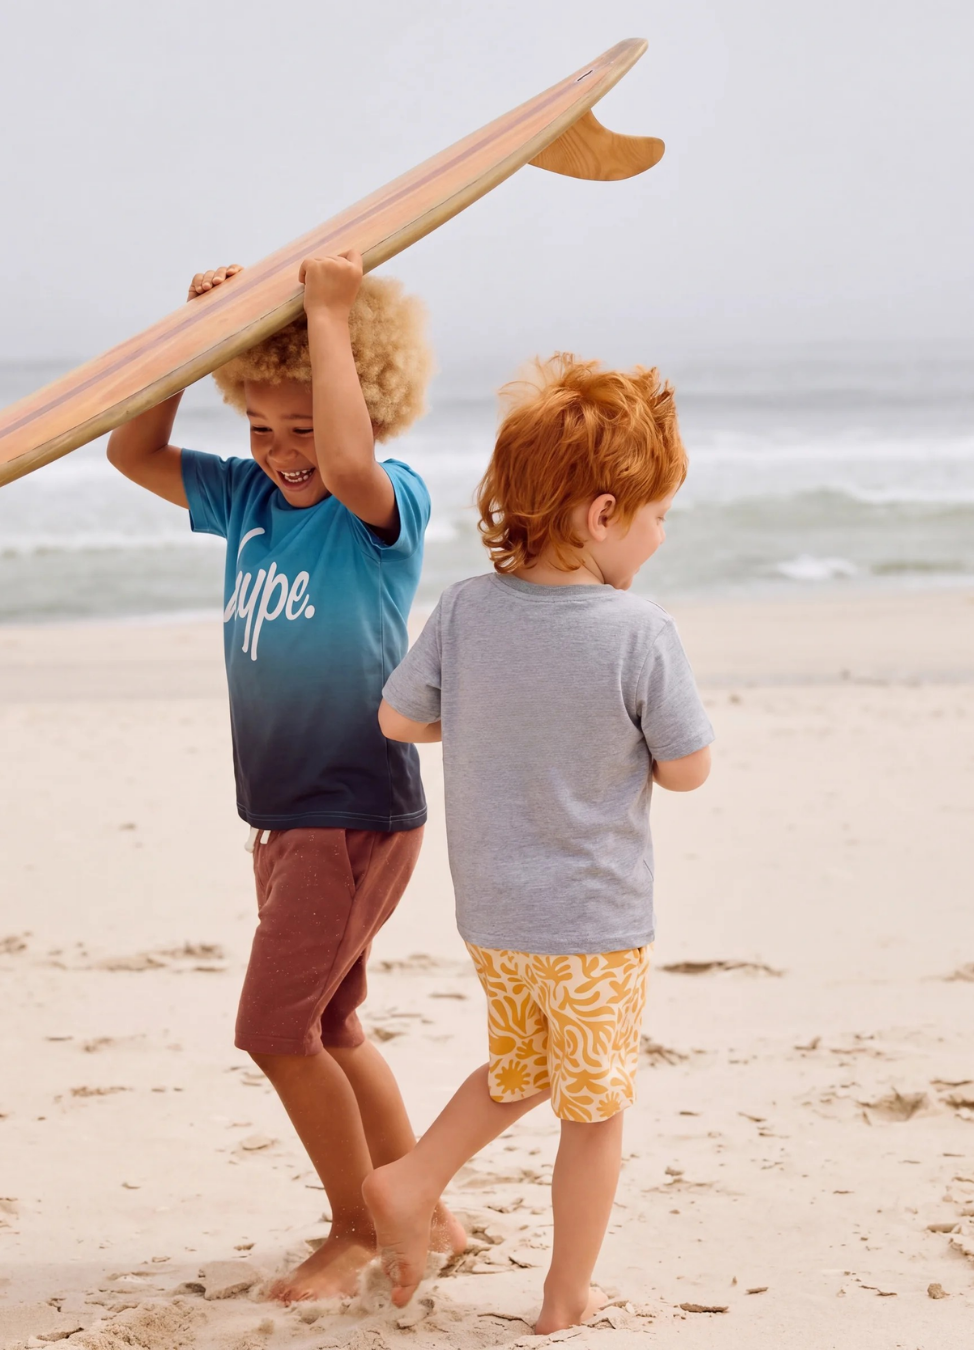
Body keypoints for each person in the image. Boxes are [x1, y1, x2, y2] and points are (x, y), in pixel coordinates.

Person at [106, 250, 465, 1302]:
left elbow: (349, 463)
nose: (281, 452)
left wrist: (330, 318)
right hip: (286, 816)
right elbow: (135, 448)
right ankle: (425, 1208)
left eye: (302, 427)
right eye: (260, 428)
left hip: (348, 809)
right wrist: (190, 343)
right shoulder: (246, 500)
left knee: (274, 1031)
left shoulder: (380, 502)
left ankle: (361, 1225)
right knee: (333, 1022)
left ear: (363, 402)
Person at [365, 354, 714, 1333]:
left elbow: (400, 721)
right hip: (593, 924)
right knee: (593, 1112)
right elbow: (688, 769)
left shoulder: (469, 609)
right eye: (654, 519)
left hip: (495, 918)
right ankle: (566, 1295)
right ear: (602, 515)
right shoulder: (639, 631)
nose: (656, 538)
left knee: (522, 1067)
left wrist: (487, 721)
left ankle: (414, 1175)